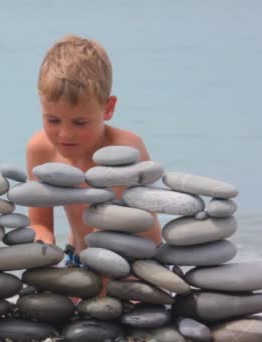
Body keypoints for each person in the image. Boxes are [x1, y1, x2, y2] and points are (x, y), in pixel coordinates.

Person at [26, 35, 162, 267]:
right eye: (53, 120)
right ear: (41, 104)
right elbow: (40, 224)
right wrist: (42, 249)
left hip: (138, 264)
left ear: (108, 108)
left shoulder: (124, 151)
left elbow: (117, 232)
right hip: (79, 258)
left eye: (80, 123)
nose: (65, 134)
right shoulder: (40, 150)